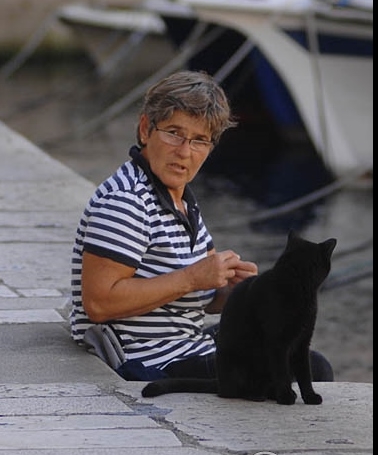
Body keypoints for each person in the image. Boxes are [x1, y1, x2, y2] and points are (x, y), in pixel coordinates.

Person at [69, 70, 333, 382]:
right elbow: (99, 303)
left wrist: (233, 290)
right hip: (147, 358)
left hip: (186, 343)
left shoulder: (181, 200)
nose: (184, 152)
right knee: (311, 368)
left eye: (199, 140)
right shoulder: (126, 201)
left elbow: (203, 300)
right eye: (173, 133)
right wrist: (193, 278)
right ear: (145, 129)